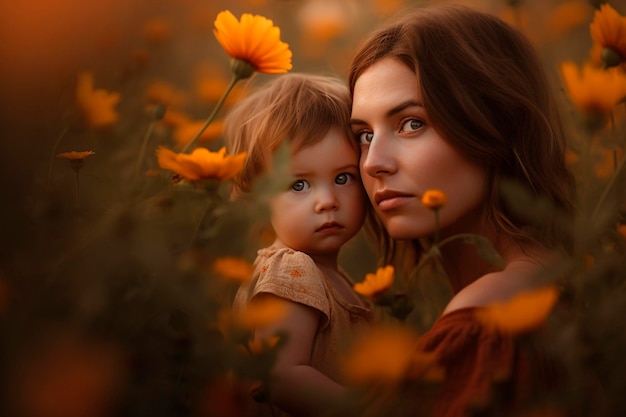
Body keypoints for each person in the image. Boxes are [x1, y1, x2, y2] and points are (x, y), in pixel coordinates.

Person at [348, 4, 579, 417]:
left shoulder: (486, 325)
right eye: (363, 134)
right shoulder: (560, 278)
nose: (372, 162)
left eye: (411, 124)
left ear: (493, 124)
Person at [225, 73, 371, 416]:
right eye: (299, 185)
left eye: (342, 177)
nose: (327, 201)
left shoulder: (331, 276)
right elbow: (280, 378)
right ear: (259, 196)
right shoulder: (293, 270)